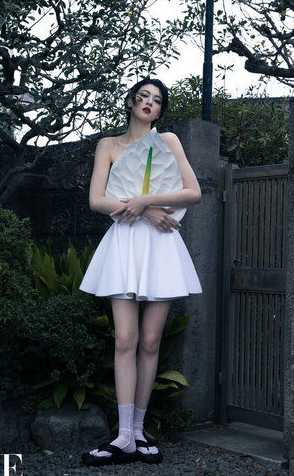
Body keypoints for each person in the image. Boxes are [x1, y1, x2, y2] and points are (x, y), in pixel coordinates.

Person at [80, 78, 202, 466]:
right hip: (125, 242)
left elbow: (193, 192)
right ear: (131, 102)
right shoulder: (108, 145)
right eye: (144, 96)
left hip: (161, 247)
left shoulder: (169, 141)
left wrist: (146, 199)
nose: (150, 102)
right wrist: (146, 210)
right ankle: (122, 436)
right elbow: (97, 200)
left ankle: (138, 432)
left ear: (161, 110)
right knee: (125, 339)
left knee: (150, 341)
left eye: (158, 100)